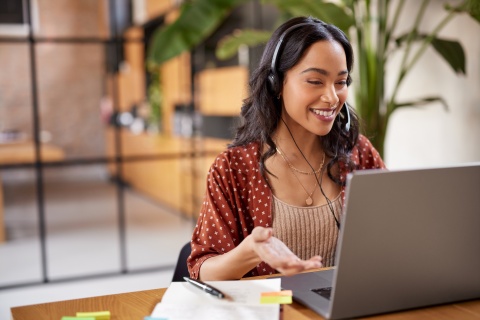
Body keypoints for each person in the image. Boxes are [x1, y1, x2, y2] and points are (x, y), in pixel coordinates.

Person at [187, 16, 386, 281]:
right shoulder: (232, 168)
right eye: (315, 81)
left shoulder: (359, 154)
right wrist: (249, 252)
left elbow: (391, 238)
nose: (331, 97)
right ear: (276, 83)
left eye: (341, 82)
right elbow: (202, 269)